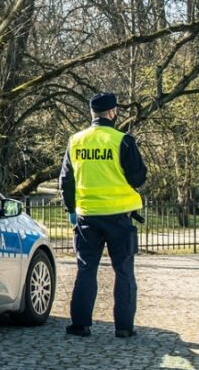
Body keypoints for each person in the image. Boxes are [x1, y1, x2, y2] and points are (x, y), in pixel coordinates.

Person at [59, 92, 147, 338]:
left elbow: (66, 180)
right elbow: (138, 178)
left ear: (92, 113)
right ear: (112, 112)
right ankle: (124, 327)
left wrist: (71, 209)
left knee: (86, 268)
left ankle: (80, 324)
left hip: (87, 216)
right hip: (119, 216)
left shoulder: (76, 141)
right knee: (123, 270)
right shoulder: (123, 141)